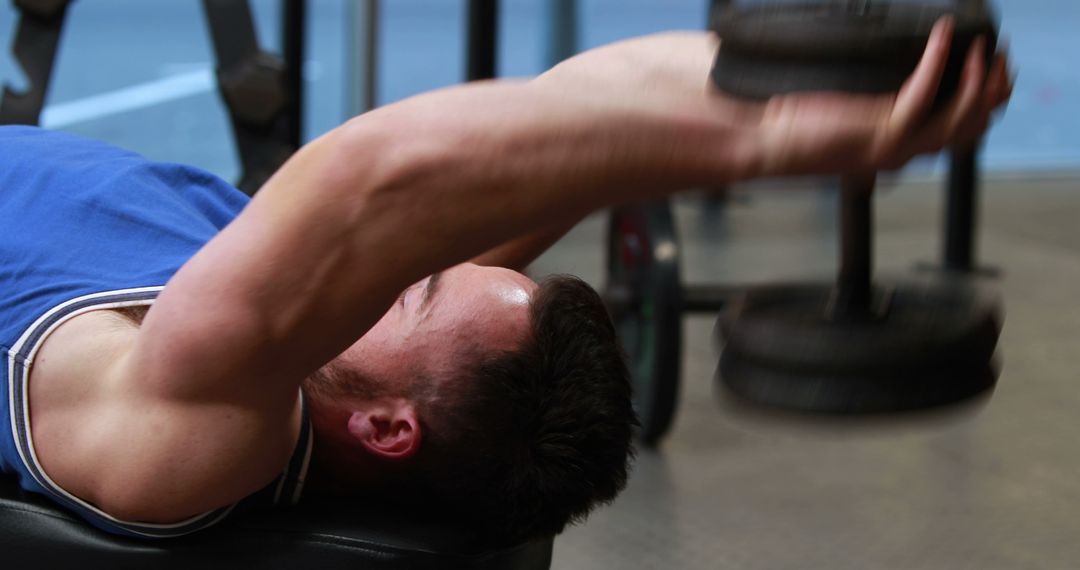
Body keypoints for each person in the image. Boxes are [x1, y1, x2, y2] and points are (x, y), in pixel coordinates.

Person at [0, 20, 1011, 542]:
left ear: (390, 428)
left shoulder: (192, 432)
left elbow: (368, 182)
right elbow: (583, 96)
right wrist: (847, 68)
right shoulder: (358, 348)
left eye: (420, 292)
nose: (410, 269)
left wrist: (769, 140)